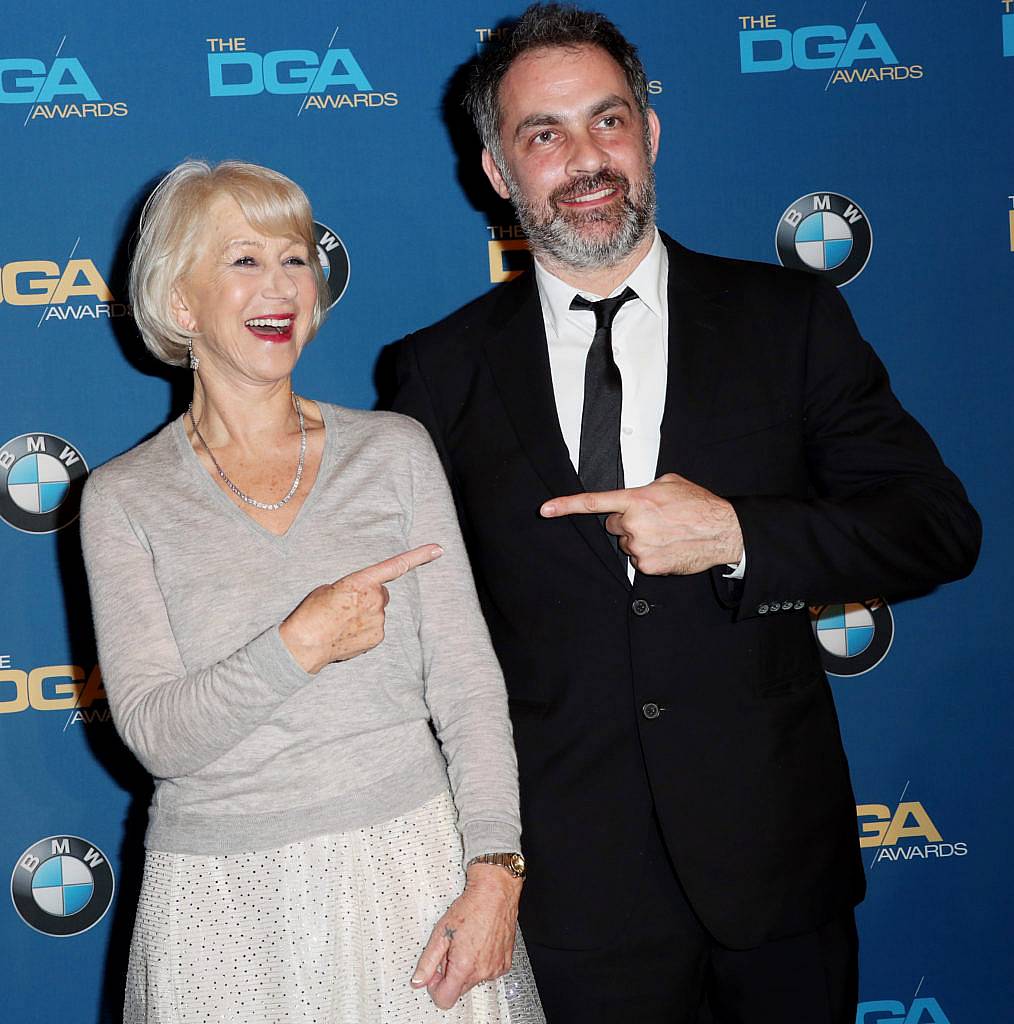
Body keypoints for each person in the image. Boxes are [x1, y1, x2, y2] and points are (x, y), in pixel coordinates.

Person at [387, 5, 982, 1023]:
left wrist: (742, 536)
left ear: (650, 133)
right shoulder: (434, 374)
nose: (586, 160)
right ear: (498, 170)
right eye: (544, 134)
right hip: (570, 898)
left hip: (776, 881)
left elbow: (935, 525)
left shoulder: (786, 320)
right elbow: (419, 644)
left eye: (609, 121)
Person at [80, 159, 544, 1023]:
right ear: (181, 305)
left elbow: (470, 689)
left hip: (413, 871)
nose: (281, 284)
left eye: (294, 257)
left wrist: (496, 871)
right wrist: (300, 644)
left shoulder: (395, 451)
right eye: (242, 259)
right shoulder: (124, 498)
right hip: (221, 901)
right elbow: (154, 736)